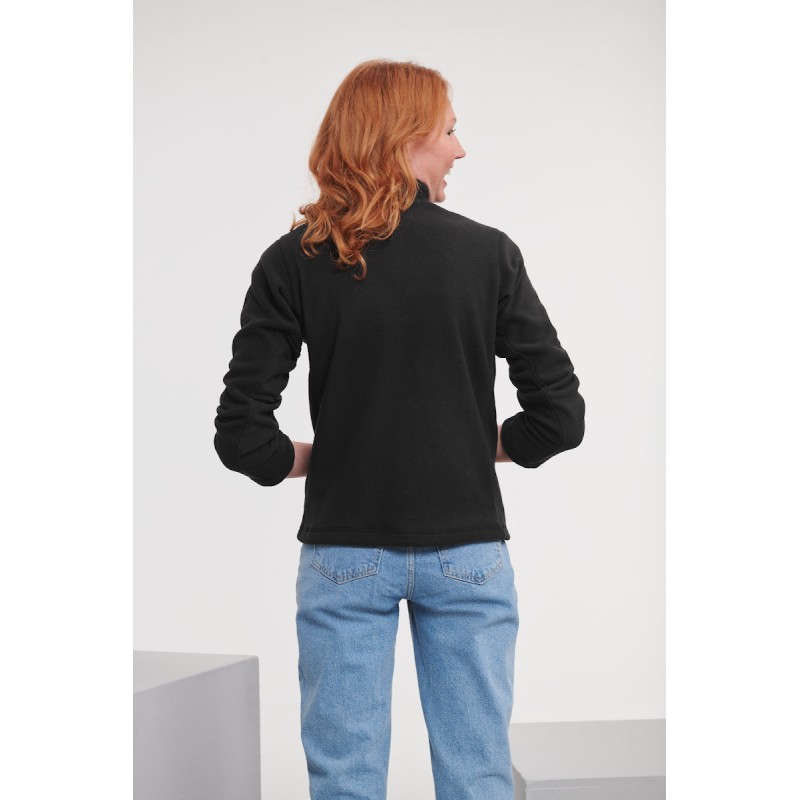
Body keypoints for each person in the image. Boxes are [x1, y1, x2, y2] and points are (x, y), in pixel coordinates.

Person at [213, 59, 585, 800]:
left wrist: (330, 455)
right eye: (449, 131)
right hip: (469, 553)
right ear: (407, 135)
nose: (460, 149)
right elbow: (559, 417)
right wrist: (470, 447)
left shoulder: (295, 259)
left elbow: (242, 435)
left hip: (344, 554)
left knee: (344, 780)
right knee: (478, 777)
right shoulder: (487, 253)